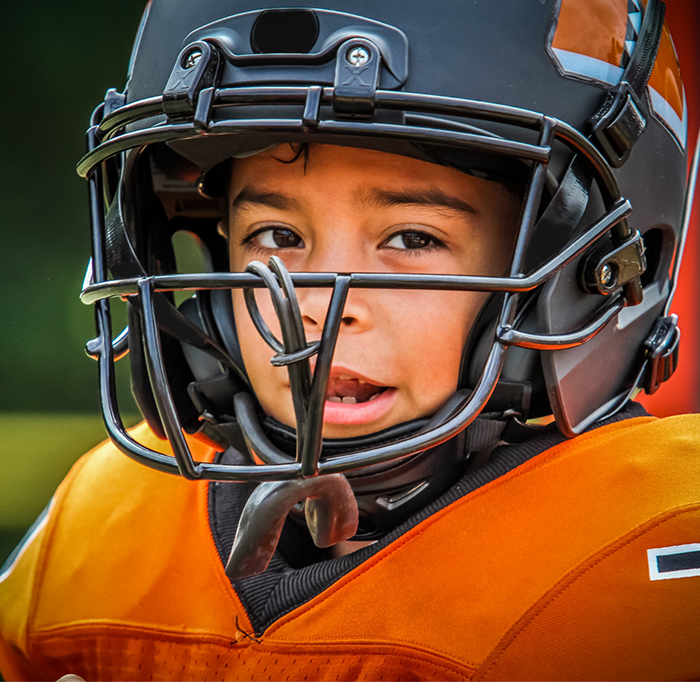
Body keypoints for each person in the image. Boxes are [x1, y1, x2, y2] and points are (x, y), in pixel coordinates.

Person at [1, 0, 699, 679]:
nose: (319, 309)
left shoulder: (645, 540)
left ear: (591, 268)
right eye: (278, 237)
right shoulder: (106, 519)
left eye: (412, 238)